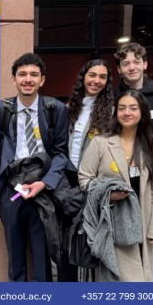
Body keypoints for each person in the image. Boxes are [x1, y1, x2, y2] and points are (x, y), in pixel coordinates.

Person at [0, 52, 71, 282]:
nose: (28, 79)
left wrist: (45, 183)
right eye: (22, 74)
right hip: (11, 191)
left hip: (42, 191)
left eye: (34, 74)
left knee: (42, 255)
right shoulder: (0, 110)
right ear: (13, 79)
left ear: (42, 80)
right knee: (15, 254)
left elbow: (61, 153)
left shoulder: (56, 109)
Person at [78, 89, 153, 281]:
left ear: (142, 113)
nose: (127, 113)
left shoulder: (152, 146)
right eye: (122, 108)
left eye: (133, 108)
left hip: (142, 223)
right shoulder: (101, 143)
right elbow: (84, 179)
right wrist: (107, 194)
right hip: (112, 224)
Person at [114, 42, 153, 281]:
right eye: (126, 63)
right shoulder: (113, 98)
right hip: (123, 181)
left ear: (145, 64)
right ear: (119, 68)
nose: (132, 67)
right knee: (124, 241)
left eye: (136, 62)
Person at [63, 59, 114, 281]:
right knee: (68, 239)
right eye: (93, 75)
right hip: (67, 181)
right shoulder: (69, 107)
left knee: (88, 240)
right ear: (83, 77)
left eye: (102, 77)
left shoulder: (110, 111)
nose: (97, 81)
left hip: (91, 183)